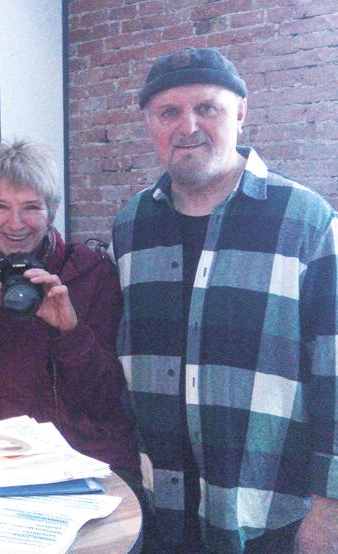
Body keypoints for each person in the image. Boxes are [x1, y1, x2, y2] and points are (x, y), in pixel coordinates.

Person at [111, 46, 338, 553]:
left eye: (206, 108)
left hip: (270, 515)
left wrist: (331, 508)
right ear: (150, 125)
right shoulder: (130, 227)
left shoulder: (304, 221)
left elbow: (335, 370)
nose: (188, 125)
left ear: (240, 111)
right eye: (169, 112)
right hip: (163, 508)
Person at [0, 139, 139, 482]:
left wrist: (70, 332)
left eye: (31, 207)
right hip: (1, 464)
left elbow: (107, 400)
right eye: (0, 207)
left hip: (84, 461)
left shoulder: (90, 273)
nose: (15, 224)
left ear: (52, 211)